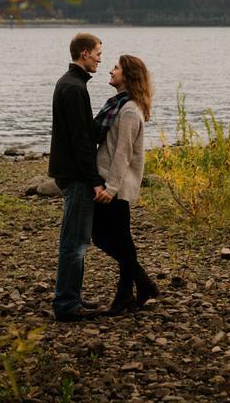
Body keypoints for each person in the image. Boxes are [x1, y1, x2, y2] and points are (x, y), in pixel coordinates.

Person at [91, 54, 160, 314]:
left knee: (101, 236)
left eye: (116, 68)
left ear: (127, 75)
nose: (111, 70)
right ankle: (127, 294)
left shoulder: (129, 109)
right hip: (114, 183)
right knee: (121, 239)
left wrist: (110, 188)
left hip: (115, 186)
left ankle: (141, 283)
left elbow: (123, 152)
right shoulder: (121, 104)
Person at [49, 32, 109, 322]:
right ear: (84, 53)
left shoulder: (72, 83)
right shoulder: (73, 88)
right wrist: (94, 179)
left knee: (76, 239)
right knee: (74, 242)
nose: (100, 58)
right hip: (75, 175)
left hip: (69, 172)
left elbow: (84, 133)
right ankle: (66, 304)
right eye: (98, 53)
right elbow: (81, 141)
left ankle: (71, 295)